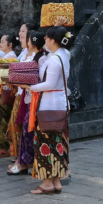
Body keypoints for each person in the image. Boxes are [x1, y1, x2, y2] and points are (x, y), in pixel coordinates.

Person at [26, 26, 72, 194]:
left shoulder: (54, 59)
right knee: (57, 144)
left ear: (53, 40)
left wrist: (31, 87)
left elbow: (50, 84)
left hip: (49, 105)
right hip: (58, 104)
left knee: (45, 143)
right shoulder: (62, 56)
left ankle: (47, 182)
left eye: (46, 38)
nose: (44, 40)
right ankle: (56, 180)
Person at [7, 31, 46, 175]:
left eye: (27, 39)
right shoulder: (34, 57)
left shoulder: (41, 59)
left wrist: (22, 82)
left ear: (32, 42)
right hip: (28, 96)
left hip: (35, 98)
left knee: (28, 131)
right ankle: (22, 161)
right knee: (25, 130)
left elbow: (38, 79)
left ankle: (24, 162)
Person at [0, 34, 19, 158]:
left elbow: (6, 75)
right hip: (0, 88)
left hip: (5, 89)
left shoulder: (11, 57)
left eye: (2, 42)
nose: (0, 44)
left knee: (1, 118)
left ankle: (4, 147)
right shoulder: (6, 56)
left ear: (10, 45)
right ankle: (1, 146)